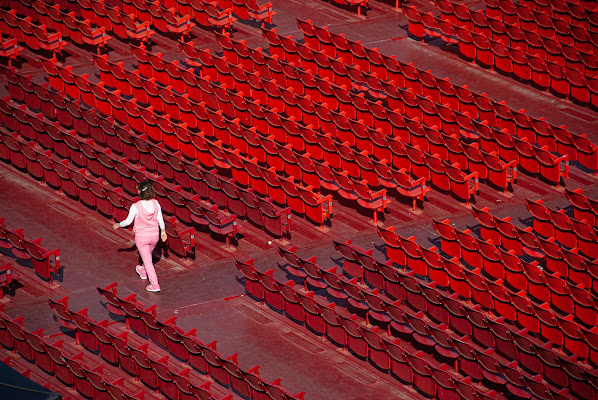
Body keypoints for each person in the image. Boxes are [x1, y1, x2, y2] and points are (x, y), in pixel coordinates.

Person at [113, 180, 167, 292]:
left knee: (148, 261)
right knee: (148, 255)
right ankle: (143, 270)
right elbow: (160, 219)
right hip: (154, 236)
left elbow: (128, 221)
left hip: (142, 237)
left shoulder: (135, 206)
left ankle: (155, 284)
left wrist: (118, 224)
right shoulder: (156, 203)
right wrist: (163, 231)